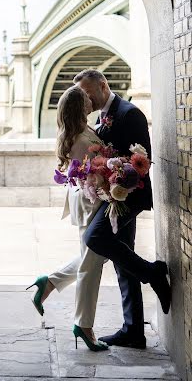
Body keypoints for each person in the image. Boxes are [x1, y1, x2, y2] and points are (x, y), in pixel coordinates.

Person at [74, 69, 171, 349]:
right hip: (115, 198)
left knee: (94, 238)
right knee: (122, 260)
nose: (87, 100)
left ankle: (153, 273)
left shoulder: (130, 113)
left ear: (103, 85)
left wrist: (116, 178)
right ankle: (133, 332)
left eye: (89, 94)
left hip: (130, 197)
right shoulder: (102, 117)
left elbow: (141, 159)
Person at [26, 85, 108, 351]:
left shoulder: (79, 132)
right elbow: (97, 170)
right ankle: (83, 325)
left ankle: (49, 283)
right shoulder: (82, 139)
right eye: (86, 98)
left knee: (94, 256)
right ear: (79, 106)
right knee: (92, 263)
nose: (90, 100)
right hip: (90, 200)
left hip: (87, 199)